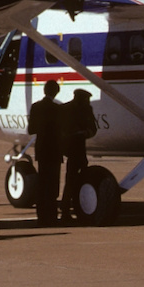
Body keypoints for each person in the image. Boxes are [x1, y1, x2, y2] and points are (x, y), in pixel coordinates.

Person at [27, 80, 62, 226]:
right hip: (54, 150)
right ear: (56, 92)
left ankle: (41, 215)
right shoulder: (58, 109)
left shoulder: (36, 107)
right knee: (53, 184)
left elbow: (31, 129)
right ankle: (52, 215)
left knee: (42, 182)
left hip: (42, 149)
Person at [60, 89, 97, 221]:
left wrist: (85, 132)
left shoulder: (85, 109)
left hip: (80, 150)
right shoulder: (66, 109)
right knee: (71, 180)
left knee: (77, 180)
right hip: (72, 149)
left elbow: (93, 128)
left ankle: (76, 206)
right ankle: (66, 208)